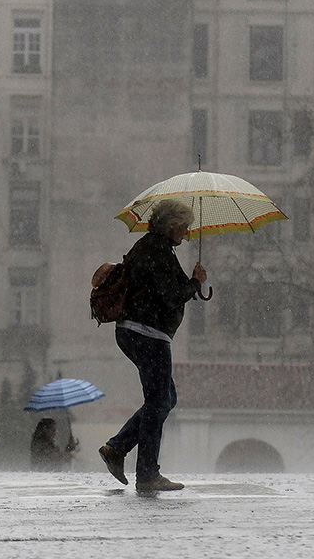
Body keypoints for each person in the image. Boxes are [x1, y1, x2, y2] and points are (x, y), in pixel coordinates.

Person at [98, 199, 207, 492]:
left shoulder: (152, 247)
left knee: (165, 399)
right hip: (147, 334)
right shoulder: (157, 251)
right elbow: (171, 295)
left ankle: (117, 448)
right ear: (171, 225)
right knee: (160, 401)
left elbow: (167, 289)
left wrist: (192, 283)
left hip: (137, 333)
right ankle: (146, 474)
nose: (187, 233)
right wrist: (195, 283)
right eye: (184, 227)